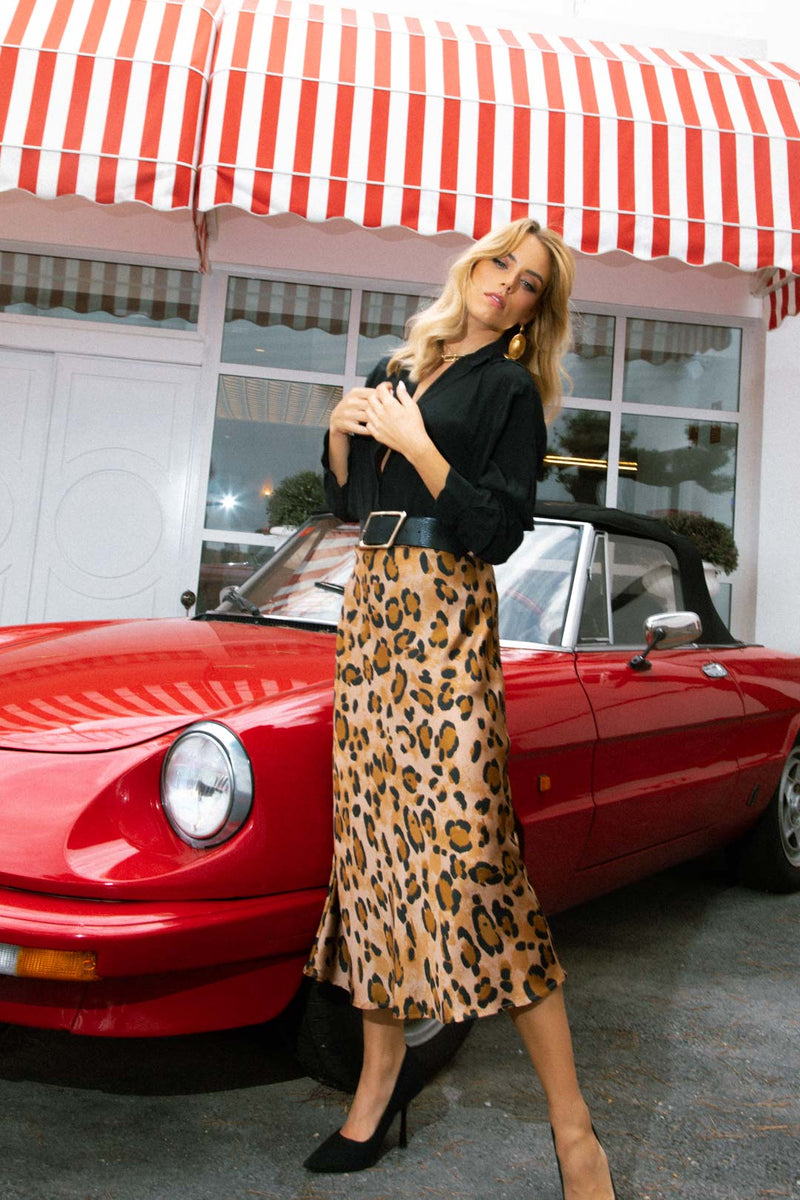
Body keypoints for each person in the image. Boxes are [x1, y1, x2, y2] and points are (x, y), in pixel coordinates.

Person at [303, 217, 617, 1200]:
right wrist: (342, 435)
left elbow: (497, 530)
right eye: (498, 265)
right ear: (471, 267)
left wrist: (419, 449)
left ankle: (573, 1135)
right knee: (372, 856)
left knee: (476, 863)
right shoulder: (400, 362)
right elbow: (355, 510)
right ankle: (376, 1087)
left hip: (444, 614)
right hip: (371, 609)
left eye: (527, 284)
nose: (505, 286)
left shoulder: (509, 390)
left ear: (534, 313)